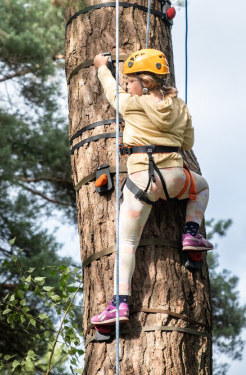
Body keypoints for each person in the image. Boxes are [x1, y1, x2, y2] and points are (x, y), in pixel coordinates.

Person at [91, 47, 212, 327]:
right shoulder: (180, 106)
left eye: (130, 80)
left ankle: (119, 304)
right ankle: (191, 233)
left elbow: (112, 94)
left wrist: (101, 67)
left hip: (144, 180)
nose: (126, 84)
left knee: (128, 243)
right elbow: (188, 143)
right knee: (202, 188)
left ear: (144, 83)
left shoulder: (135, 103)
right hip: (177, 178)